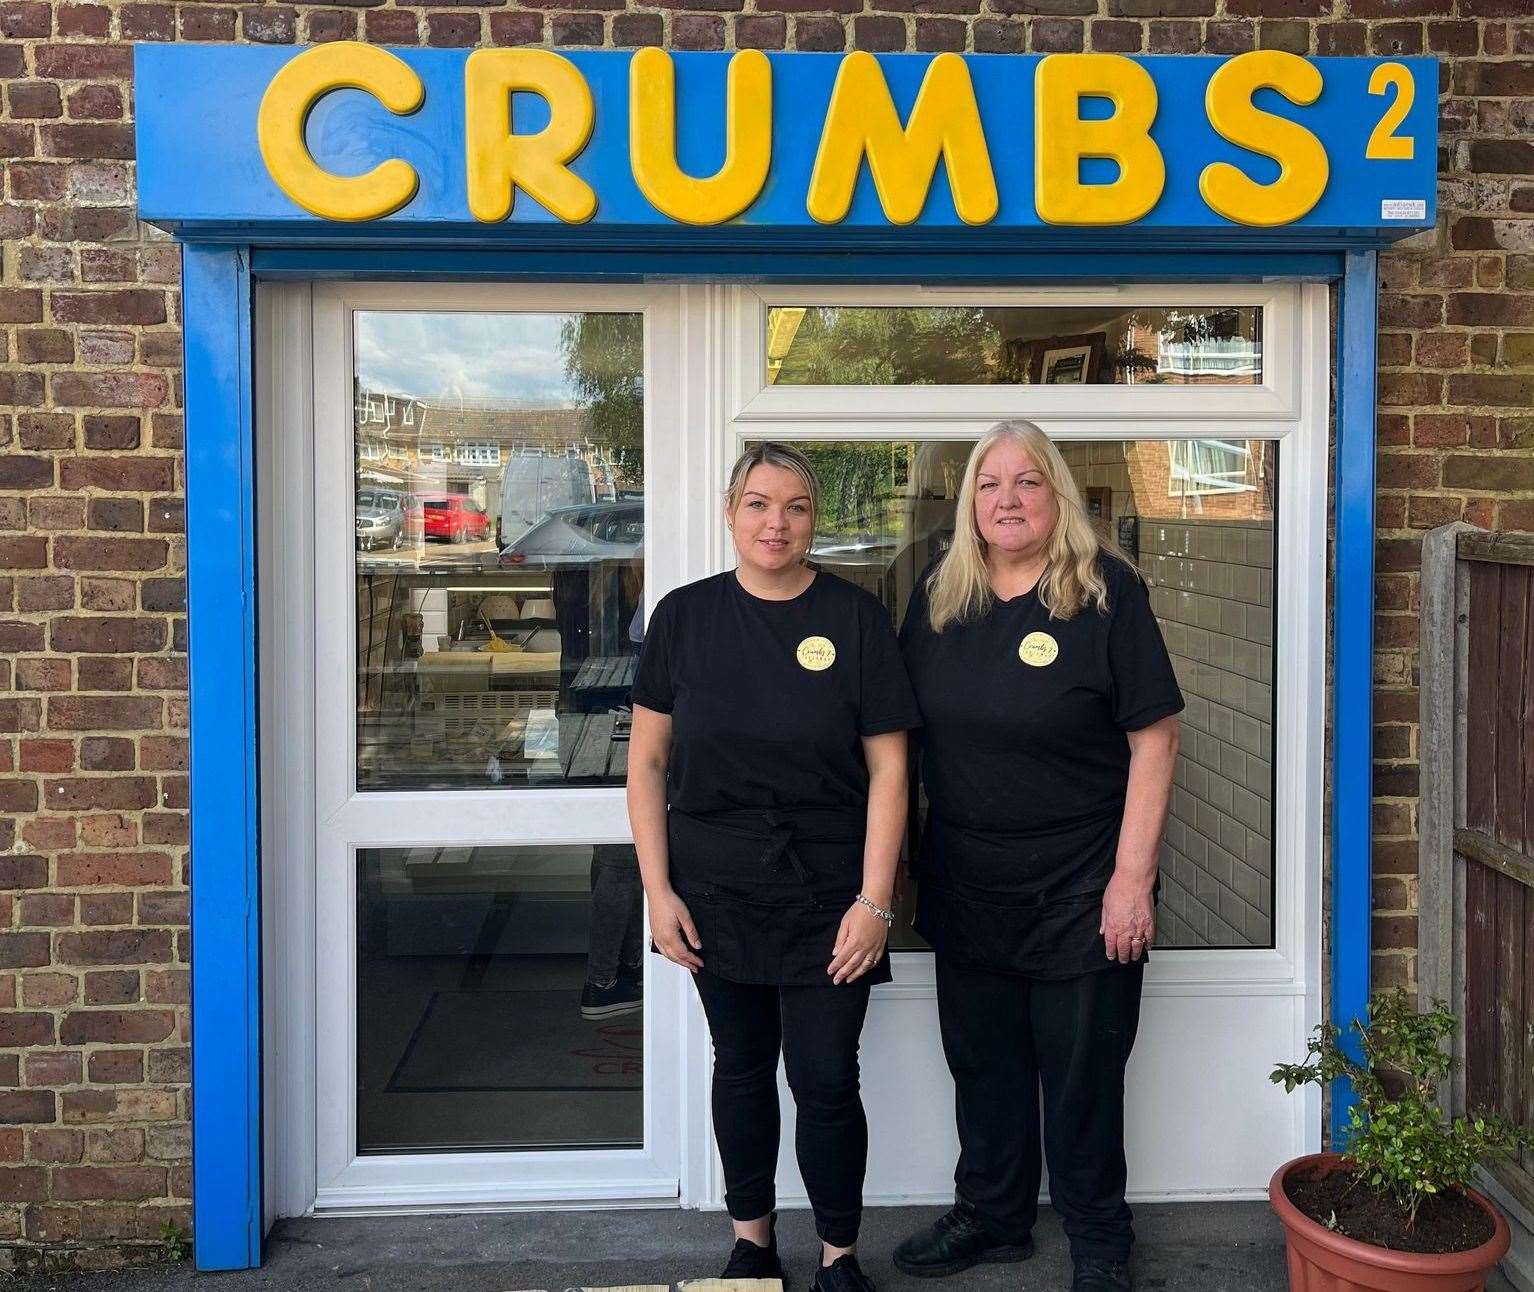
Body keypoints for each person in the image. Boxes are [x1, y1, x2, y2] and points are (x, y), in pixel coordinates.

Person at [892, 421, 1183, 1292]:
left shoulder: (1105, 596)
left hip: (1081, 881)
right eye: (989, 484)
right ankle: (993, 1216)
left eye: (1026, 482)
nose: (1007, 499)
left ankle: (1100, 1240)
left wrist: (1131, 881)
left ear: (1057, 496)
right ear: (969, 503)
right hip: (971, 875)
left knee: (1083, 1075)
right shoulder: (941, 600)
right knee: (982, 1064)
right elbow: (893, 739)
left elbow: (1156, 739)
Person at [627, 443, 920, 1292]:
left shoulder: (857, 619)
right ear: (730, 511)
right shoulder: (683, 618)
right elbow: (646, 766)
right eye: (758, 504)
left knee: (827, 1076)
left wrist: (875, 902)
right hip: (713, 883)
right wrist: (658, 891)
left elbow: (890, 771)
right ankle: (751, 1243)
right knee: (742, 1066)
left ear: (813, 520)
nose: (775, 523)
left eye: (794, 507)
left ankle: (838, 1255)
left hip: (831, 886)